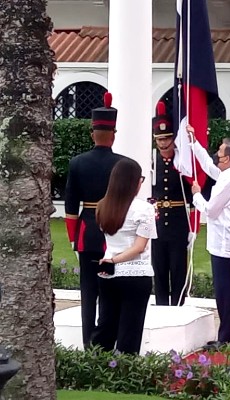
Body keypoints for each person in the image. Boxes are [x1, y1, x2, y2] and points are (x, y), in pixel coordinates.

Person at [64, 92, 126, 348]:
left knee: (88, 294)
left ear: (92, 133)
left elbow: (70, 208)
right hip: (116, 233)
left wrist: (72, 237)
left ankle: (88, 342)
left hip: (87, 233)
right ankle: (107, 342)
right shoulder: (123, 164)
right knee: (112, 291)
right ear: (113, 134)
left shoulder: (77, 163)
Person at [188, 126, 230, 351]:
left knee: (226, 291)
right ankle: (228, 334)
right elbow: (208, 166)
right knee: (226, 289)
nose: (217, 156)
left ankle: (229, 337)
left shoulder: (229, 180)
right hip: (227, 240)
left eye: (220, 154)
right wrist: (194, 143)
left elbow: (211, 210)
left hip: (224, 243)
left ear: (228, 159)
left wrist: (196, 195)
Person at [92, 158, 157, 354]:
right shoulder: (144, 209)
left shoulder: (102, 206)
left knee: (106, 325)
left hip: (108, 273)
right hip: (135, 274)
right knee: (130, 330)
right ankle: (125, 373)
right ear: (134, 182)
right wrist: (115, 260)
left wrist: (111, 261)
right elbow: (139, 247)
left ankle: (98, 367)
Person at [150, 102, 195, 306]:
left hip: (178, 221)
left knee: (178, 269)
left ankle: (178, 307)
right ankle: (161, 307)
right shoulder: (151, 162)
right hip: (157, 222)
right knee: (158, 269)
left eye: (167, 138)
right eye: (159, 139)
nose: (163, 143)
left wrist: (193, 227)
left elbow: (193, 198)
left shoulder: (183, 162)